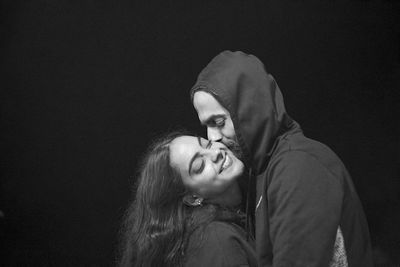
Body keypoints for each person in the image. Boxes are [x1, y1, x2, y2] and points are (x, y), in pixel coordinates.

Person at [190, 51, 374, 266]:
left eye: (219, 122)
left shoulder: (298, 166)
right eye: (207, 126)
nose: (213, 138)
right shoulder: (269, 169)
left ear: (250, 111)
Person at [118, 132, 258, 267]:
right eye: (200, 166)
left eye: (207, 144)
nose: (216, 153)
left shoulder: (244, 206)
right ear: (192, 198)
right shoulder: (215, 239)